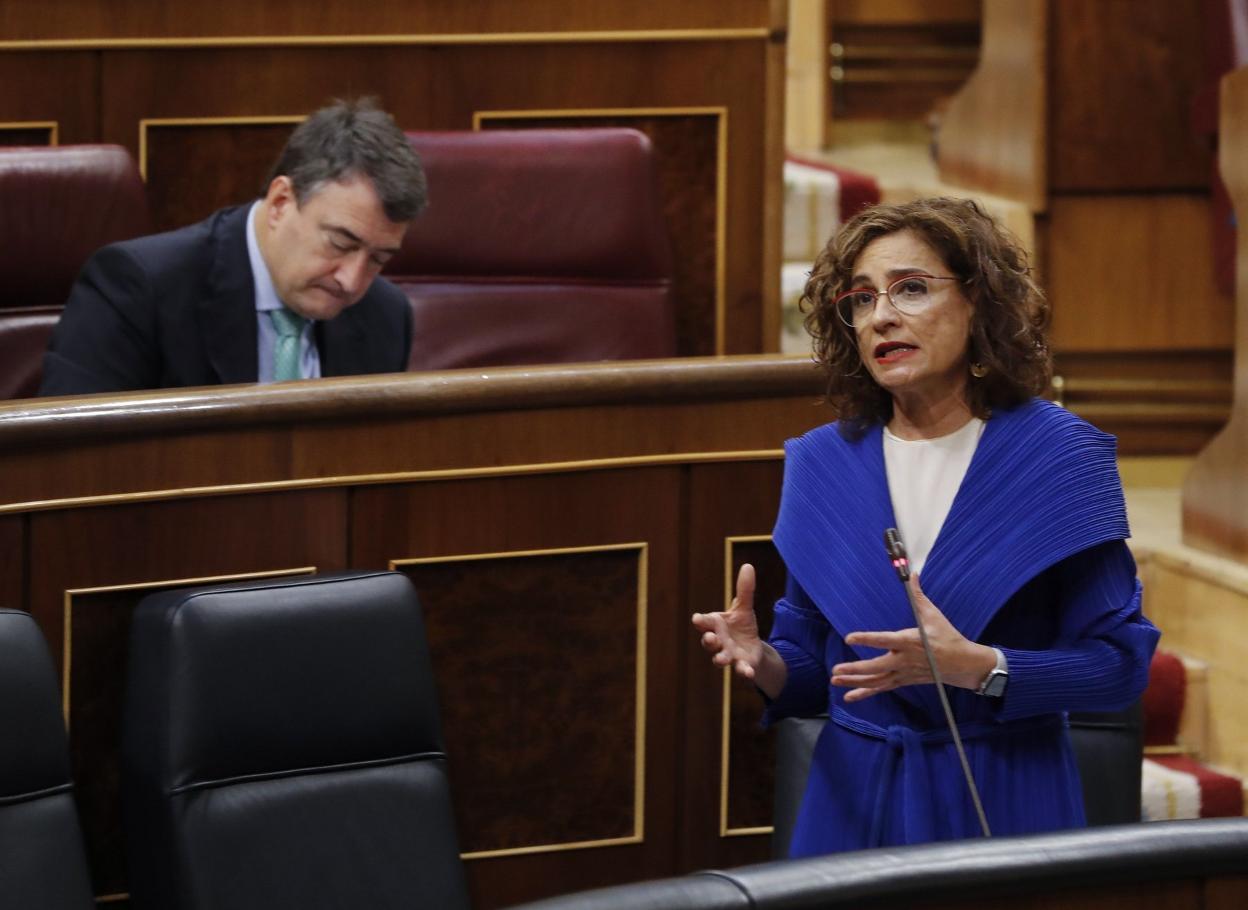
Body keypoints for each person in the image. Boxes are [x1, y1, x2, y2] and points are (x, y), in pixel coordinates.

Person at [691, 197, 1159, 855]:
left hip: (1005, 796)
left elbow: (1118, 666)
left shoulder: (1058, 456)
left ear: (977, 301)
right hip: (853, 804)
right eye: (860, 299)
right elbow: (810, 674)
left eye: (910, 289)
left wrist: (980, 668)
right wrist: (763, 660)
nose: (881, 315)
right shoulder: (823, 463)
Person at [38, 98, 426, 396]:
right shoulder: (140, 290)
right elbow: (70, 464)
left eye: (378, 259)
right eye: (341, 243)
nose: (352, 281)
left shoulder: (385, 317)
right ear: (280, 203)